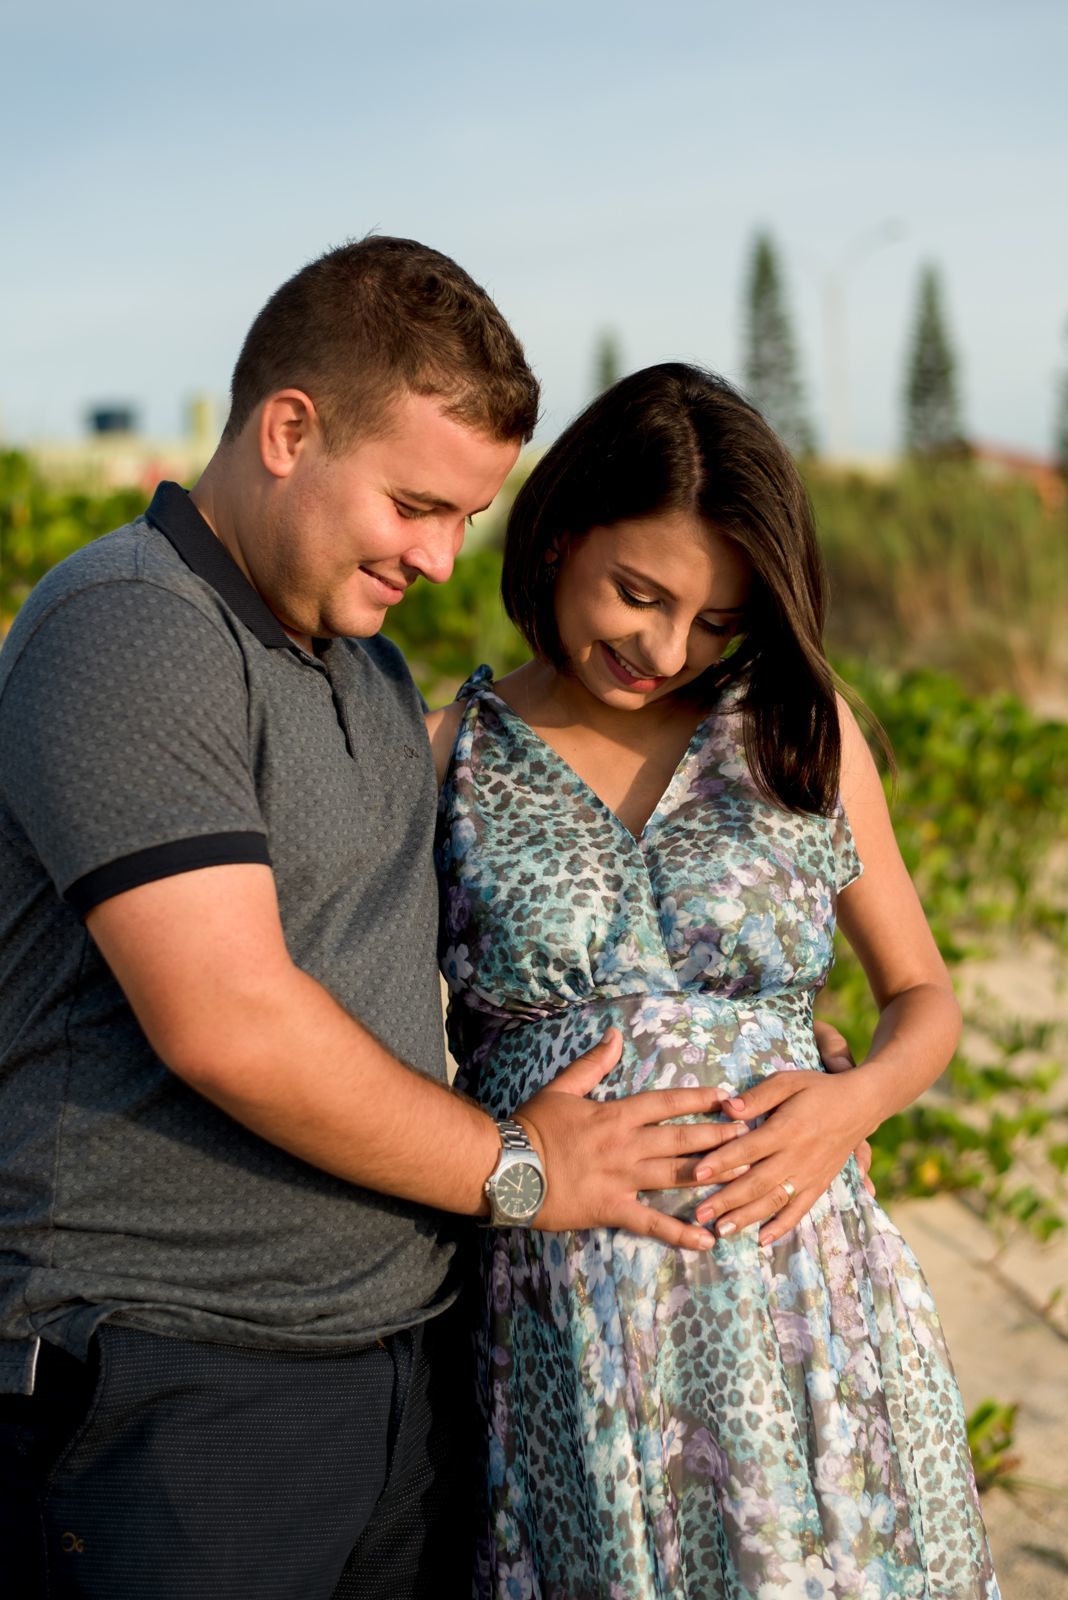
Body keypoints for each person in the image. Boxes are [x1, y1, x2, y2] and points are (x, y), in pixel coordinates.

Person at [0, 242, 764, 1600]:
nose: (438, 554)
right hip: (181, 1377)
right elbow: (228, 1021)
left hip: (399, 1368)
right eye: (415, 503)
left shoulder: (367, 670)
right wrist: (527, 1169)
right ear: (289, 430)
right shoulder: (132, 625)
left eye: (467, 515)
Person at [427, 364, 999, 1599]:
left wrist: (852, 1104)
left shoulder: (802, 729)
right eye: (639, 593)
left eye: (715, 624)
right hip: (566, 1314)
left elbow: (923, 997)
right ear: (563, 530)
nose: (665, 648)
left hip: (805, 1298)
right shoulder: (449, 749)